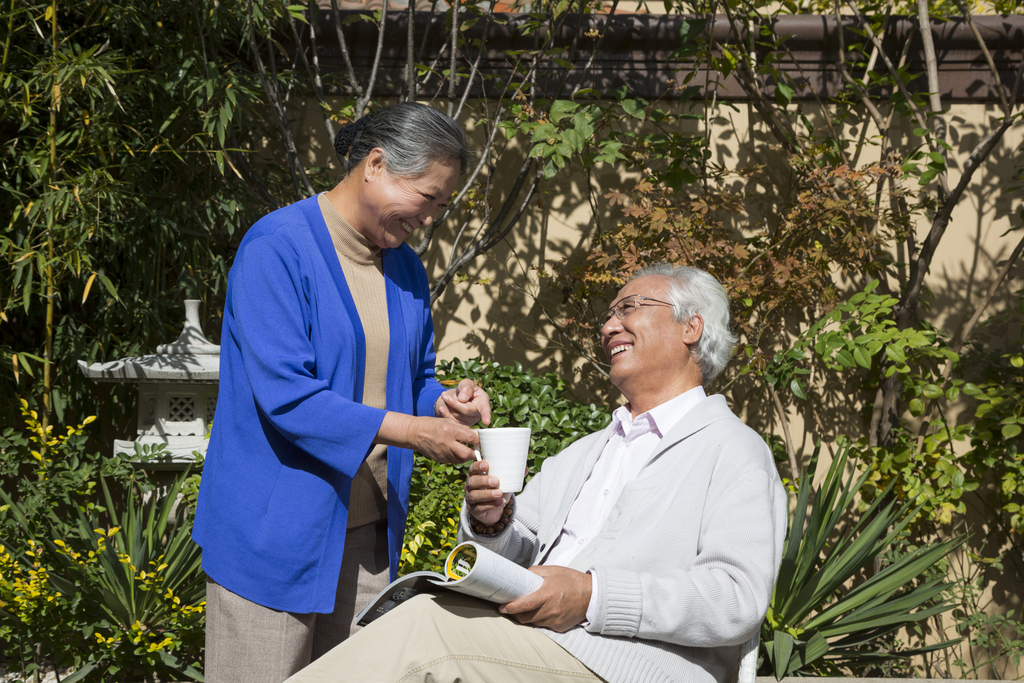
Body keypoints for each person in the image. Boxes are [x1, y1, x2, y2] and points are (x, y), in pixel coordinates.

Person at [285, 262, 789, 683]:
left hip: (629, 666)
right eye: (609, 314)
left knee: (423, 631)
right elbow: (518, 546)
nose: (609, 325)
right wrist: (491, 522)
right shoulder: (590, 450)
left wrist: (592, 596)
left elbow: (736, 598)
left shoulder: (733, 450)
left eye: (629, 308)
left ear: (691, 327)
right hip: (534, 641)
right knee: (420, 616)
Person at [192, 103, 491, 683]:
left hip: (366, 539)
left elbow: (415, 377)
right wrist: (413, 430)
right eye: (427, 199)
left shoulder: (405, 268)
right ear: (376, 165)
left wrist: (443, 403)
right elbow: (288, 397)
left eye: (441, 206)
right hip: (273, 533)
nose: (430, 219)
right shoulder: (277, 247)